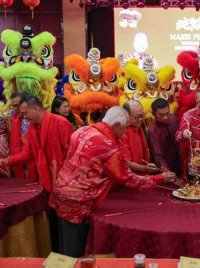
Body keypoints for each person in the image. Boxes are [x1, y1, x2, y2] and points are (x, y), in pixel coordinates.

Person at [50, 106, 176, 257]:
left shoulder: (82, 130)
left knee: (64, 248)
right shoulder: (106, 146)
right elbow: (128, 178)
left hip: (61, 192)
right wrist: (160, 178)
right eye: (124, 128)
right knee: (75, 252)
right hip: (78, 202)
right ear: (116, 125)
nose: (124, 133)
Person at [0, 95, 74, 253]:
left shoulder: (61, 123)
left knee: (65, 228)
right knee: (53, 225)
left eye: (26, 113)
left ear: (35, 108)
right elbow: (26, 155)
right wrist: (3, 161)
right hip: (47, 185)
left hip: (65, 186)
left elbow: (72, 156)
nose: (24, 117)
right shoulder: (32, 129)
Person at [118, 100, 158, 174]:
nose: (140, 119)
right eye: (136, 117)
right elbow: (125, 162)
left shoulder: (139, 127)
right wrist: (145, 168)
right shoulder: (121, 132)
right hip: (129, 175)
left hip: (141, 173)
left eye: (142, 115)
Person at [7, 92, 36, 180]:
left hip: (33, 158)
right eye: (13, 106)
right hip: (18, 158)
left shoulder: (35, 117)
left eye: (17, 105)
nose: (15, 109)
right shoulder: (12, 114)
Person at [148, 98, 180, 174]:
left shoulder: (173, 119)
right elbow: (158, 157)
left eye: (167, 113)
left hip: (178, 161)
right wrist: (167, 171)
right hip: (164, 167)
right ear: (153, 114)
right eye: (161, 115)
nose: (165, 117)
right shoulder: (153, 130)